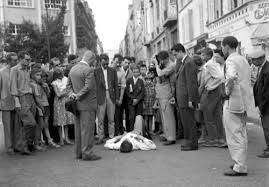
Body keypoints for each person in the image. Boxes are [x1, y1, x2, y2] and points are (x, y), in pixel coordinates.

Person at [222, 36, 251, 176]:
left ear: (227, 46)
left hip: (233, 101)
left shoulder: (231, 60)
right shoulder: (243, 59)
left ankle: (239, 166)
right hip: (244, 101)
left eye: (222, 47)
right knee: (241, 133)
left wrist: (227, 91)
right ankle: (240, 162)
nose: (222, 49)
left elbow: (231, 76)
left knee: (234, 134)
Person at [67, 50, 101, 161]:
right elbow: (88, 87)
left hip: (76, 105)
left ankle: (79, 153)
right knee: (88, 130)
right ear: (91, 59)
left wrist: (72, 94)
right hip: (87, 104)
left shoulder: (73, 69)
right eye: (94, 61)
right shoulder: (89, 70)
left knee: (79, 129)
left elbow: (68, 85)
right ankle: (87, 153)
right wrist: (78, 95)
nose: (94, 63)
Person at [172, 44, 199, 151]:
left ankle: (192, 144)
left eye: (175, 54)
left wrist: (191, 100)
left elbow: (191, 83)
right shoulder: (183, 62)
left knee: (190, 121)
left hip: (187, 98)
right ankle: (189, 141)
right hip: (182, 98)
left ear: (180, 51)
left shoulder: (189, 62)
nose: (175, 57)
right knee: (186, 122)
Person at [10, 51, 37, 155]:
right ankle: (23, 146)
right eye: (26, 59)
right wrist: (16, 101)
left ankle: (25, 145)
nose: (28, 61)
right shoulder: (14, 70)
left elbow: (27, 83)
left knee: (30, 123)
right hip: (22, 98)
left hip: (30, 97)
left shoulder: (27, 69)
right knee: (30, 123)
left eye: (29, 59)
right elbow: (13, 87)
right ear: (21, 59)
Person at [200, 48, 226, 147]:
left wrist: (211, 86)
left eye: (203, 55)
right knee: (216, 115)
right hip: (216, 90)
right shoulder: (213, 63)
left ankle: (213, 139)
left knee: (208, 116)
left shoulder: (210, 64)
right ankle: (220, 138)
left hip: (212, 91)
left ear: (208, 55)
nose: (202, 57)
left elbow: (220, 77)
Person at [30, 68, 60, 149]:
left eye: (41, 76)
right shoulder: (34, 85)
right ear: (32, 76)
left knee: (45, 125)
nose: (40, 77)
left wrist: (46, 88)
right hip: (41, 107)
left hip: (46, 106)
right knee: (40, 125)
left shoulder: (42, 85)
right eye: (38, 75)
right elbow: (37, 98)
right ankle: (37, 143)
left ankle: (48, 141)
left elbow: (47, 96)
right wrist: (40, 107)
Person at [94, 54, 118, 144]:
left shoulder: (112, 70)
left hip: (111, 96)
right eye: (104, 63)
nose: (106, 65)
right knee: (100, 119)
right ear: (100, 61)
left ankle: (111, 137)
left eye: (107, 63)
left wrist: (116, 97)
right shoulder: (95, 71)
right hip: (100, 96)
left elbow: (116, 85)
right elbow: (94, 85)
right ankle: (100, 137)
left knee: (111, 119)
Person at [155, 51, 177, 145]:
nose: (160, 61)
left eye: (160, 60)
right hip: (162, 93)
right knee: (163, 116)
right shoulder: (165, 65)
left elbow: (160, 74)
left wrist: (156, 64)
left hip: (167, 92)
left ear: (165, 59)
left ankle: (171, 137)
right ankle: (166, 134)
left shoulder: (171, 65)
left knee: (168, 116)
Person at [250, 49, 269, 158]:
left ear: (260, 59)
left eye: (254, 60)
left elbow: (266, 92)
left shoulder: (266, 71)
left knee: (267, 127)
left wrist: (261, 107)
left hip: (266, 105)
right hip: (264, 104)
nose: (252, 62)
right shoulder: (262, 68)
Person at [0, 52, 18, 155]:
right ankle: (9, 147)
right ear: (8, 61)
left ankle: (16, 145)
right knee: (7, 126)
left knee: (16, 126)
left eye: (16, 60)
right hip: (5, 102)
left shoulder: (17, 71)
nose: (16, 62)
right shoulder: (2, 72)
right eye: (14, 60)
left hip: (16, 102)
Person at [52, 68, 75, 146]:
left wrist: (62, 92)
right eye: (59, 75)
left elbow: (67, 90)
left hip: (66, 101)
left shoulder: (66, 79)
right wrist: (65, 91)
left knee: (66, 121)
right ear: (56, 75)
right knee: (60, 121)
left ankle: (67, 138)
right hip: (59, 103)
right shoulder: (54, 82)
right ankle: (61, 139)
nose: (61, 76)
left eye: (61, 74)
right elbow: (58, 95)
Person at [126, 65, 145, 132]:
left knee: (138, 117)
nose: (135, 73)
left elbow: (142, 92)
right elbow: (127, 91)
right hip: (131, 102)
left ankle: (138, 131)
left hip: (139, 102)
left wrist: (137, 99)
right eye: (134, 72)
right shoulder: (129, 80)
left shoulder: (141, 81)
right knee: (131, 117)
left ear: (139, 72)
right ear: (132, 72)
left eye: (137, 72)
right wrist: (133, 99)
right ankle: (131, 131)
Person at [113, 54, 126, 136]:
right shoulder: (109, 69)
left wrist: (120, 98)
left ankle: (119, 131)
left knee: (118, 113)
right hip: (110, 93)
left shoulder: (122, 71)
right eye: (116, 62)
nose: (118, 64)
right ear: (113, 60)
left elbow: (123, 86)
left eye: (119, 63)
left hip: (118, 93)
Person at [143, 74, 156, 139]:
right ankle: (145, 131)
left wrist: (155, 104)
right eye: (147, 80)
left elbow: (155, 96)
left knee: (151, 118)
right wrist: (143, 104)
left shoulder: (153, 86)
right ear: (145, 80)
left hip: (151, 105)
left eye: (149, 80)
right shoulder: (144, 87)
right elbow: (142, 96)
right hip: (145, 105)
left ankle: (150, 131)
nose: (148, 81)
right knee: (145, 118)